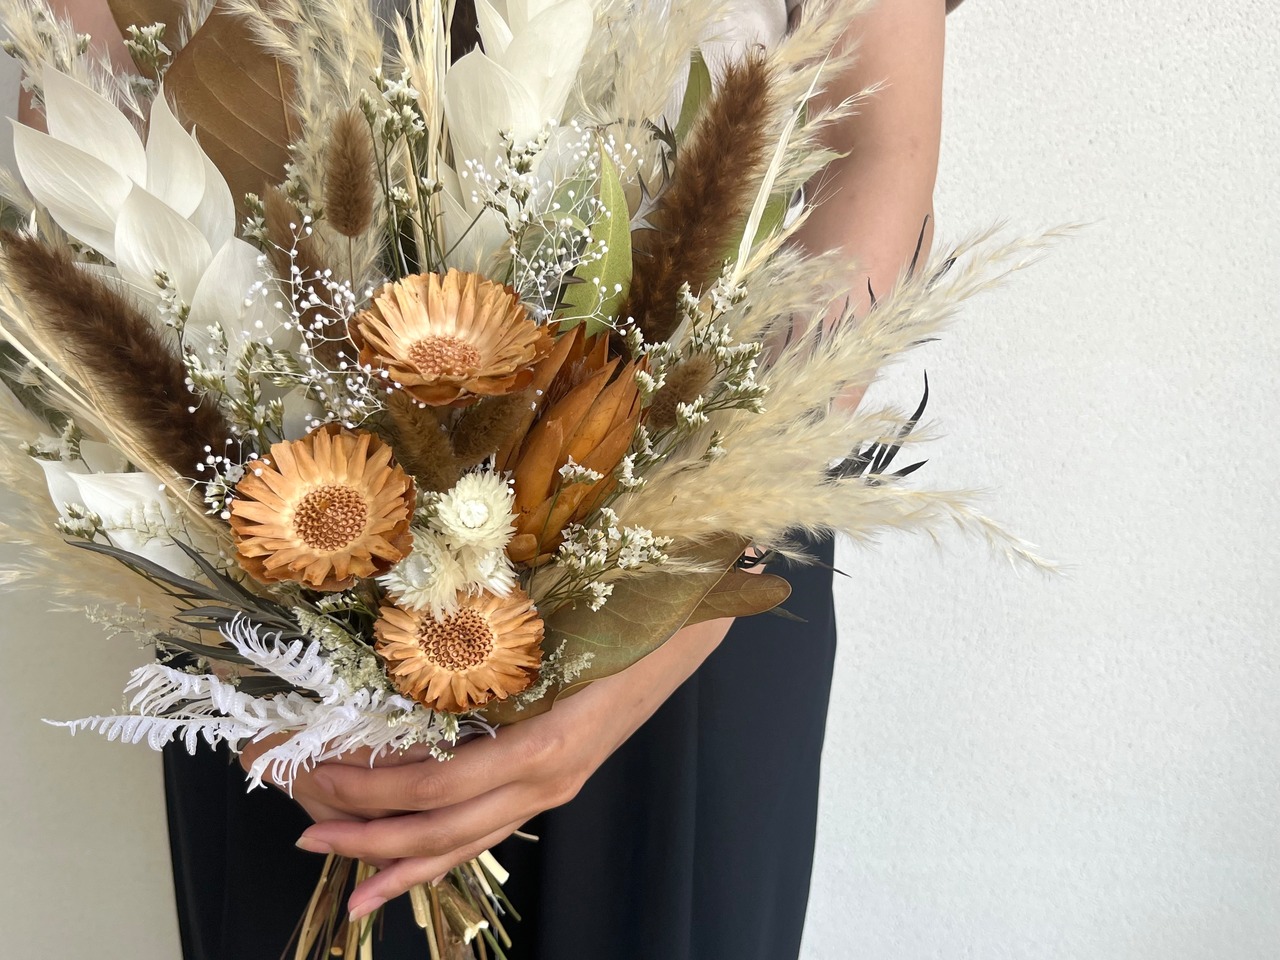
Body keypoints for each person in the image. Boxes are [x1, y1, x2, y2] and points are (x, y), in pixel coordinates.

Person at [21, 1, 948, 957]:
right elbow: (78, 90)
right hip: (266, 545)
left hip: (695, 574)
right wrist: (248, 655)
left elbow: (877, 141)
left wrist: (694, 582)